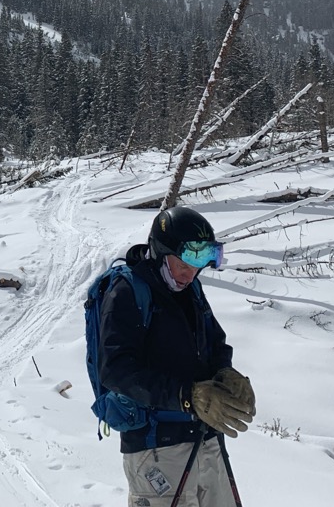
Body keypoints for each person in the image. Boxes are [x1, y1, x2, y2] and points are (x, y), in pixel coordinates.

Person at [98, 206, 255, 507]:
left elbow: (215, 342)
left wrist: (225, 373)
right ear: (159, 252)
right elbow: (115, 370)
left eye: (197, 265)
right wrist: (187, 395)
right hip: (155, 447)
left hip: (204, 434)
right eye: (182, 264)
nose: (190, 273)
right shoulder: (127, 292)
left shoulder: (190, 289)